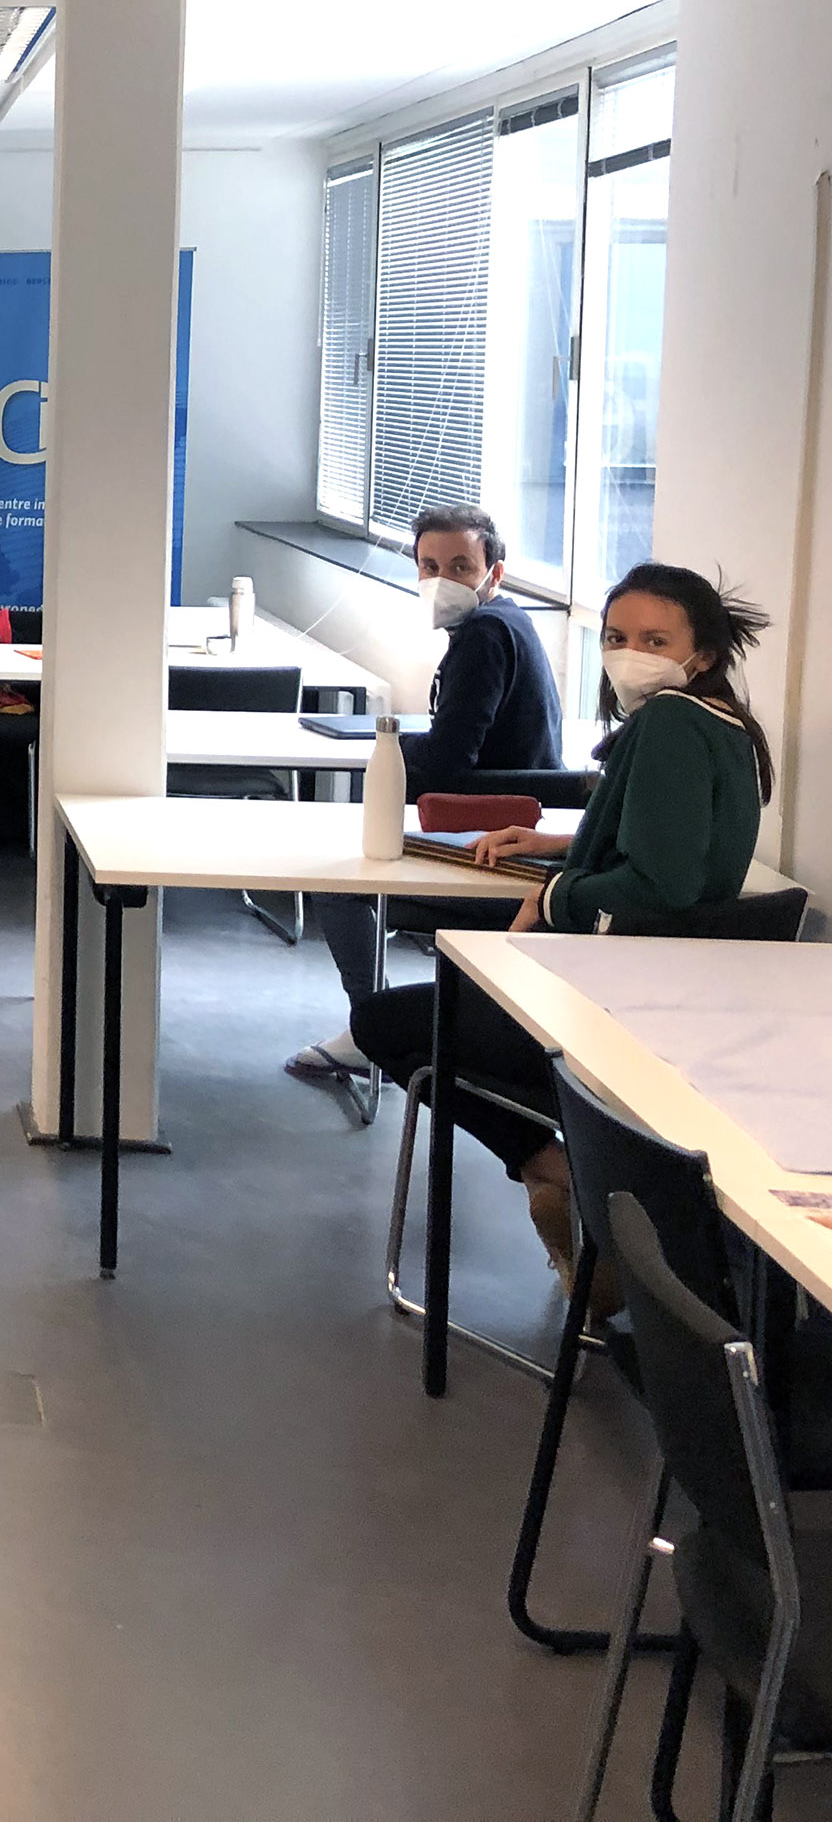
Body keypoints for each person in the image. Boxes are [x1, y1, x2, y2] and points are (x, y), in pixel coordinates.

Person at [351, 563, 773, 1298]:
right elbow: (678, 846)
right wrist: (562, 846)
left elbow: (660, 886)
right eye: (616, 637)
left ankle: (559, 1169)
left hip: (613, 1008)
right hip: (672, 995)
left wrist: (555, 892)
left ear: (702, 654)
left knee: (384, 1023)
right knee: (433, 1014)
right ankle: (576, 1177)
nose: (628, 654)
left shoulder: (669, 723)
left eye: (655, 640)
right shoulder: (725, 724)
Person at [288, 506, 566, 1083]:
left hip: (495, 841)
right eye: (430, 566)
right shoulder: (507, 621)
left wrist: (392, 754)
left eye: (461, 566)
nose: (442, 580)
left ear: (494, 572)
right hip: (513, 823)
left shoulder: (484, 636)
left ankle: (372, 1029)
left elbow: (446, 765)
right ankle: (381, 1026)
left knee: (335, 883)